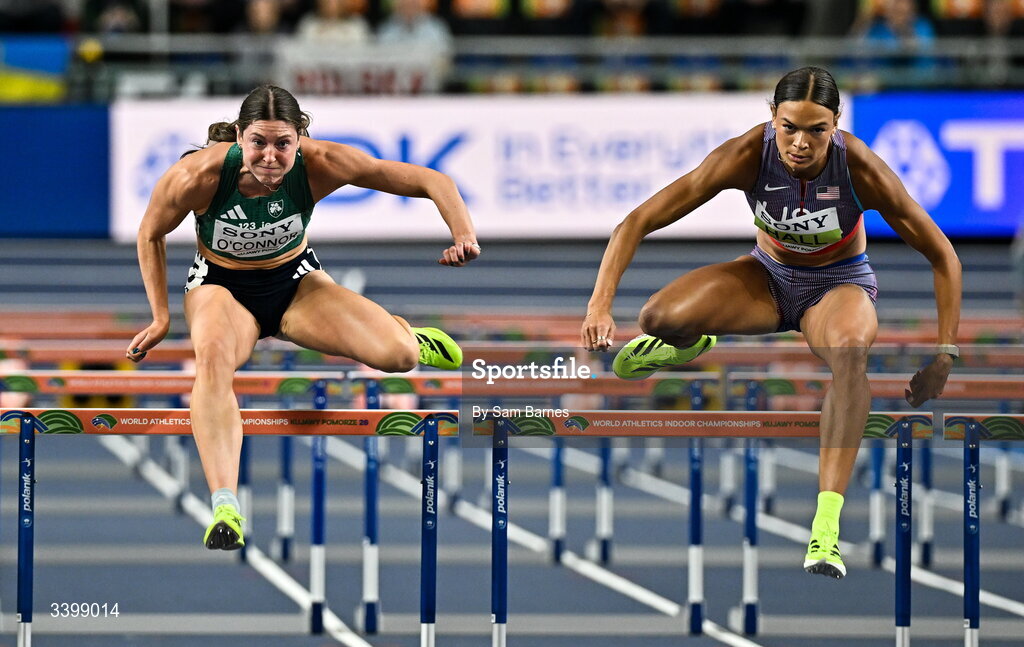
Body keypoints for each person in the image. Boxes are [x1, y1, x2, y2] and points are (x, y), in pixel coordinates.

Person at [581, 66, 961, 579]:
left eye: (816, 130)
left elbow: (943, 256)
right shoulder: (745, 155)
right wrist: (600, 305)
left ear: (836, 124)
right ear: (772, 118)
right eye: (789, 127)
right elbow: (637, 222)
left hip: (837, 287)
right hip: (765, 278)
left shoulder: (861, 169)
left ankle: (826, 527)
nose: (801, 143)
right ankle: (687, 343)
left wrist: (945, 353)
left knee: (850, 354)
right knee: (657, 316)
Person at [127, 84, 480, 550]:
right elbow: (150, 234)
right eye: (258, 143)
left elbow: (435, 181)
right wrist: (160, 316)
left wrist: (463, 234)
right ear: (238, 136)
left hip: (297, 284)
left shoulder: (325, 163)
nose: (270, 157)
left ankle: (408, 336)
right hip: (221, 289)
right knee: (212, 363)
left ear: (300, 139)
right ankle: (226, 503)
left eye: (282, 144)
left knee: (397, 358)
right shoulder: (197, 175)